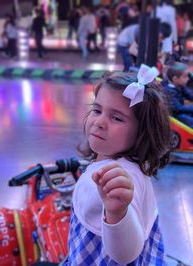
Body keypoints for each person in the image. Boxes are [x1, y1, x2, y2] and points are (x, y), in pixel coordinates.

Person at [62, 64, 171, 265]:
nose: (100, 122)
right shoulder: (111, 157)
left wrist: (117, 213)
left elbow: (126, 253)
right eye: (97, 110)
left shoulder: (122, 176)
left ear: (142, 133)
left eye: (116, 117)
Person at [163, 62, 193, 128]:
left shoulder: (180, 85)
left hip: (180, 110)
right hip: (174, 114)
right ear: (175, 79)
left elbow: (189, 94)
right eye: (185, 76)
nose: (188, 78)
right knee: (188, 120)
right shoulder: (169, 91)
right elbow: (178, 108)